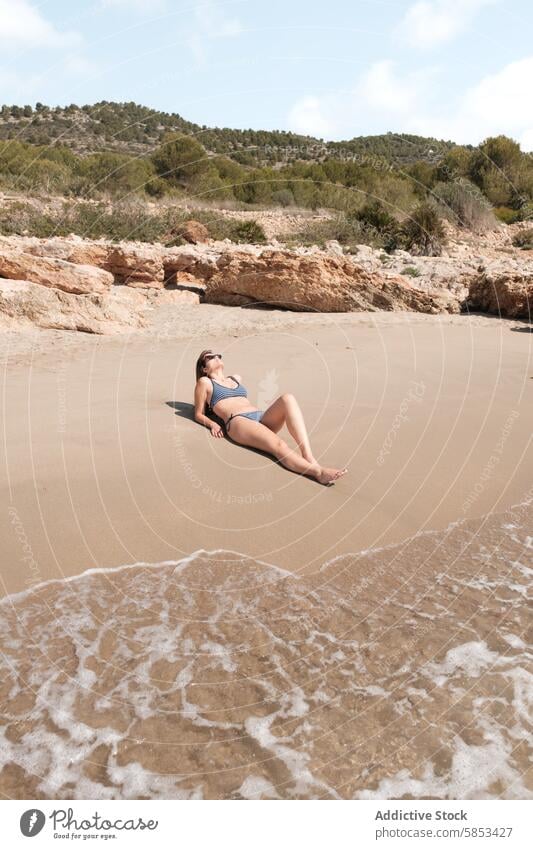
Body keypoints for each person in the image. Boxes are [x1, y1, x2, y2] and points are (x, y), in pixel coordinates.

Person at [194, 349, 348, 486]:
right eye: (210, 357)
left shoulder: (235, 378)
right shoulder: (205, 382)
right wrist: (212, 424)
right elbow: (198, 413)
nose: (216, 357)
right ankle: (318, 472)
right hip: (239, 421)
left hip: (260, 417)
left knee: (288, 398)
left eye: (217, 355)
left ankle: (308, 455)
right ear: (204, 368)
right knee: (279, 445)